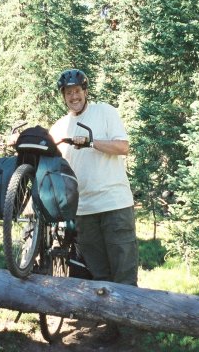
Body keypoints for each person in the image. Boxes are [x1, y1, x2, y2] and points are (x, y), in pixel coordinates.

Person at [50, 69, 138, 287]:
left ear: (85, 91)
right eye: (68, 92)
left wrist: (90, 142)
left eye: (77, 91)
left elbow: (123, 147)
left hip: (114, 205)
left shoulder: (105, 112)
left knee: (124, 277)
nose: (74, 97)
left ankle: (129, 321)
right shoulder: (60, 126)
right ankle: (110, 321)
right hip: (84, 211)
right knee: (100, 279)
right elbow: (46, 154)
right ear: (63, 96)